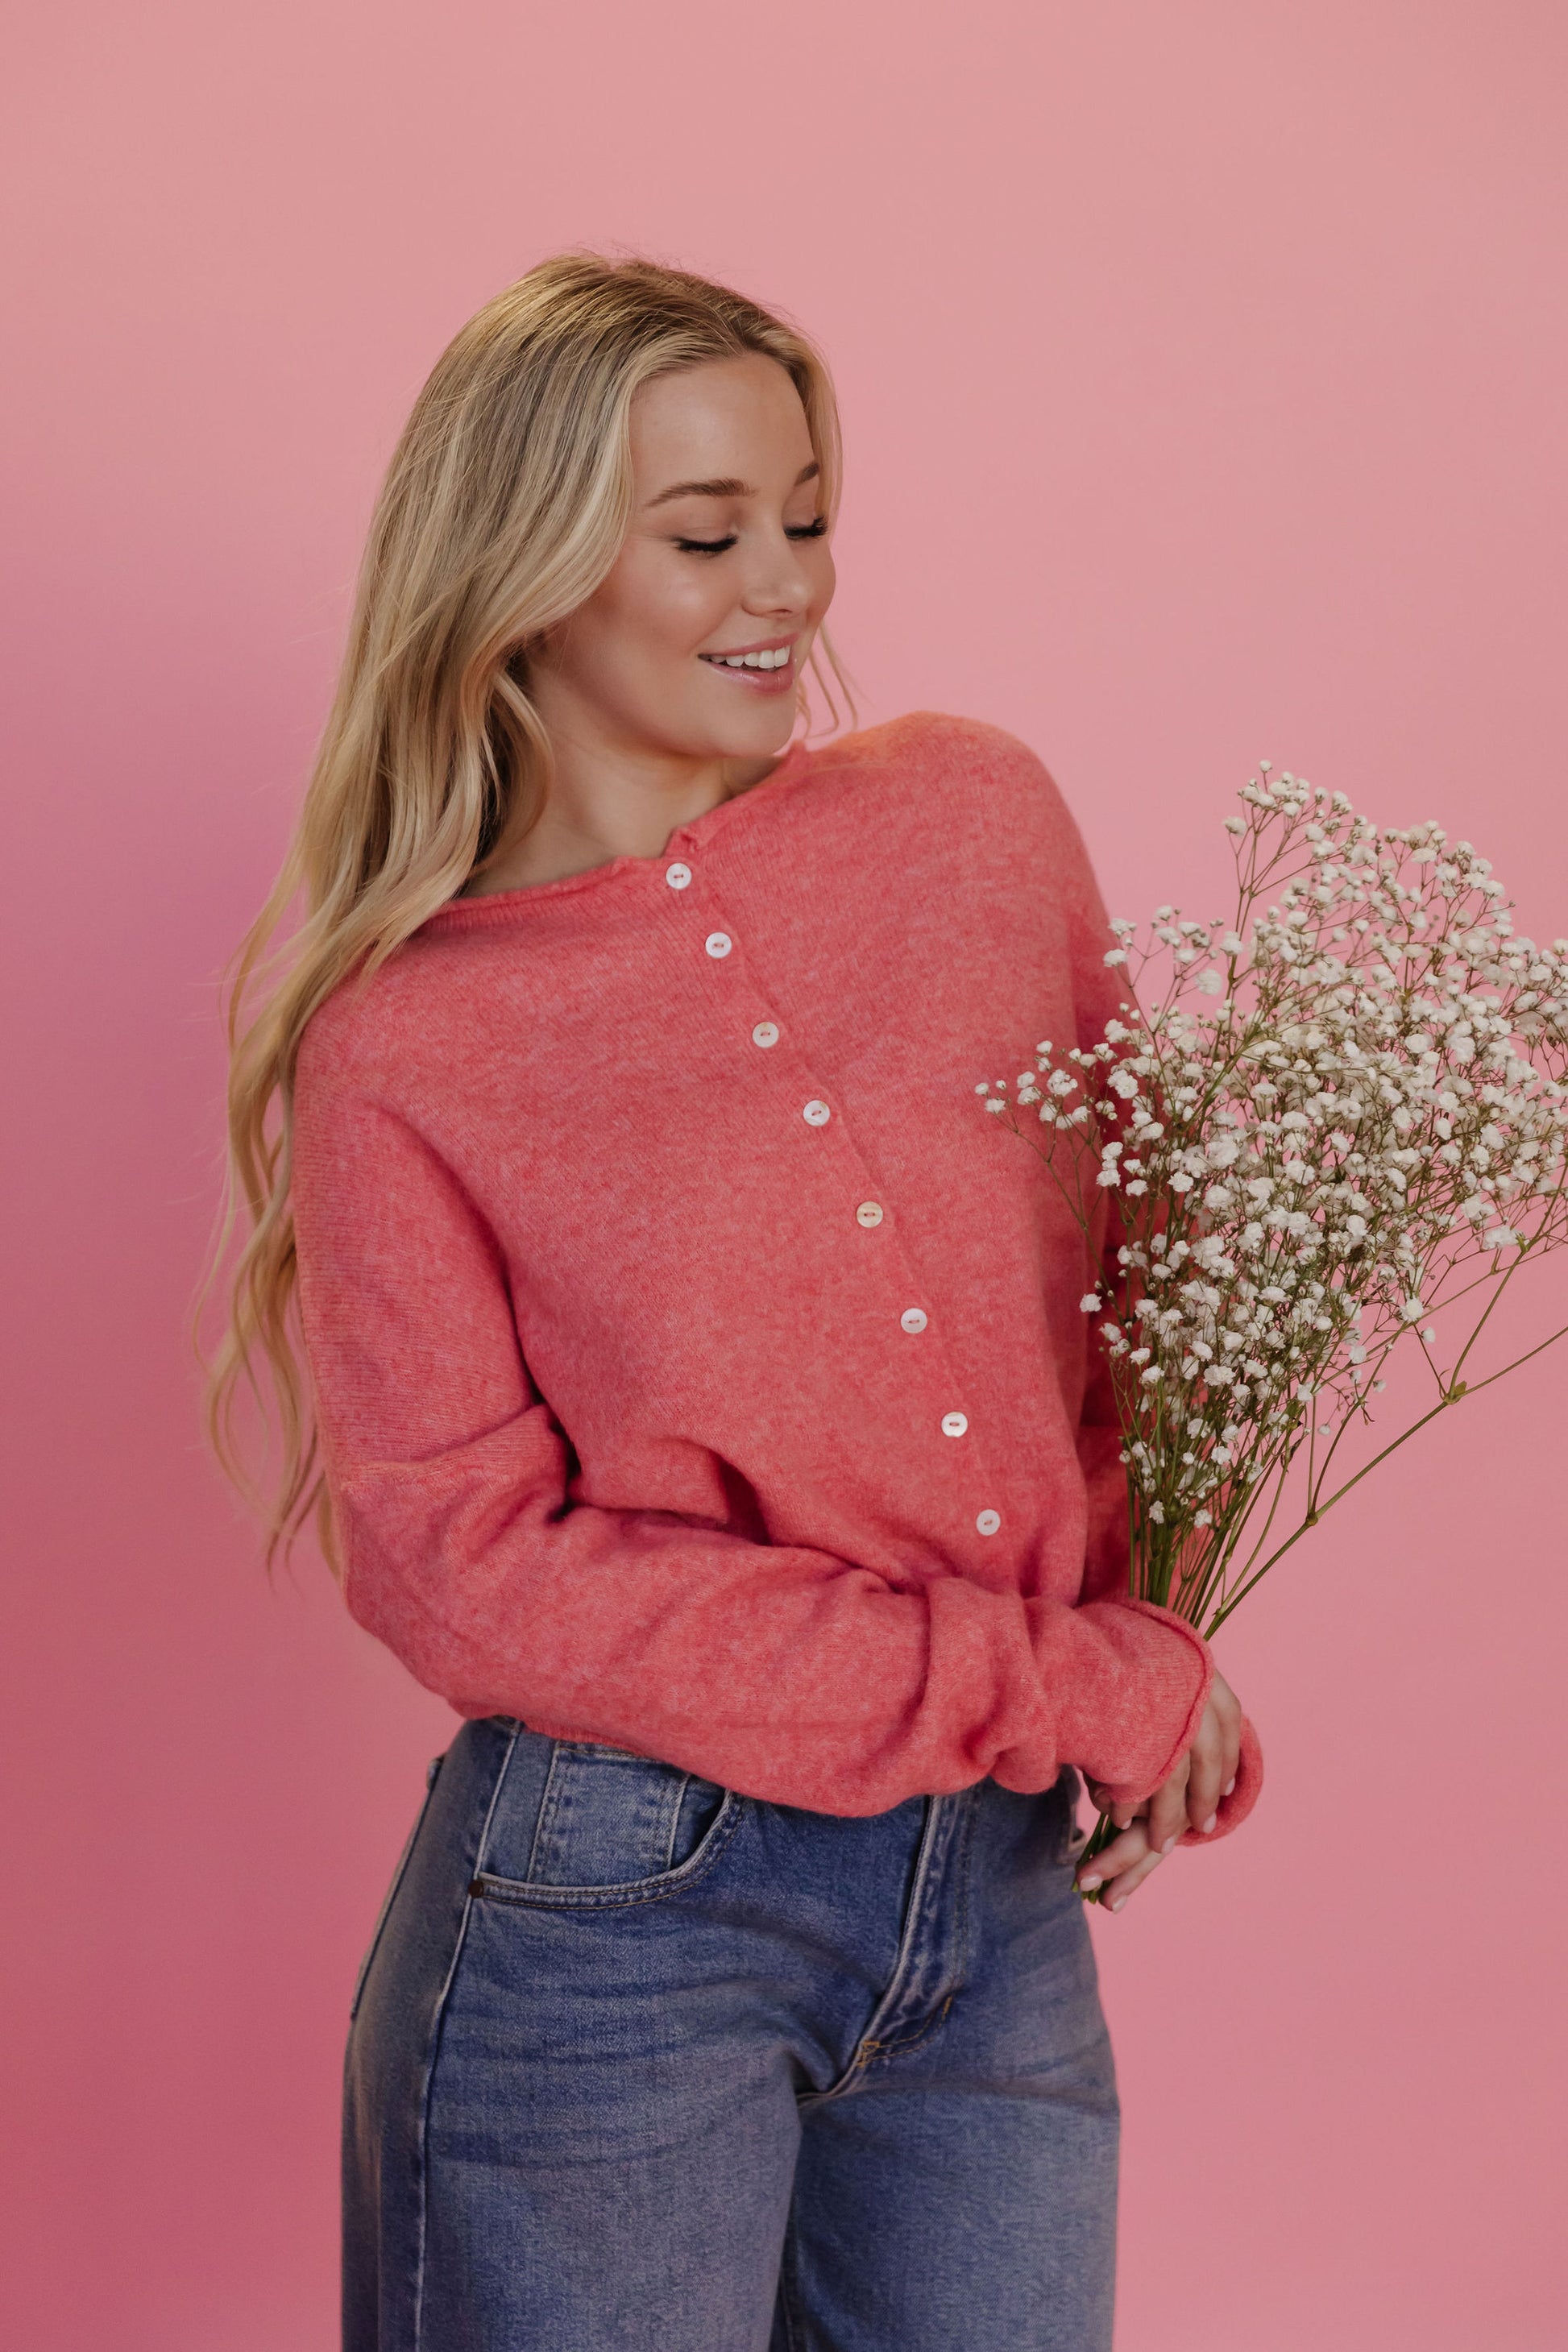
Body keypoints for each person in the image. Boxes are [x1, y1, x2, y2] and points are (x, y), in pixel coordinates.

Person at [209, 251, 1259, 2352]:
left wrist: (1142, 1641)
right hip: (613, 1913)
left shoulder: (968, 816)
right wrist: (1043, 1679)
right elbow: (459, 1570)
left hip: (998, 1892)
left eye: (804, 513)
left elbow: (1131, 1284)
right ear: (519, 574)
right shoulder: (407, 1040)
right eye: (704, 536)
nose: (783, 584)